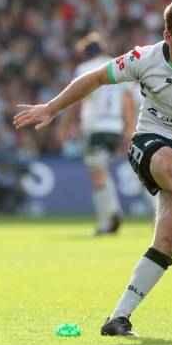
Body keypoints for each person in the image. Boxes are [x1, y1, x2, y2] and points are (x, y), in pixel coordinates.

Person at [13, 0, 172, 337]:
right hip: (150, 141)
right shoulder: (143, 58)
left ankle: (118, 319)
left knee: (168, 239)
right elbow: (94, 78)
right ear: (168, 36)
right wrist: (51, 107)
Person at [59, 32, 136, 236]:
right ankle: (112, 211)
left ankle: (107, 218)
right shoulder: (118, 65)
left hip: (95, 127)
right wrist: (129, 128)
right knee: (102, 169)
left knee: (97, 175)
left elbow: (76, 99)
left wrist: (65, 126)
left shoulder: (84, 69)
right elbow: (127, 101)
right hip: (116, 127)